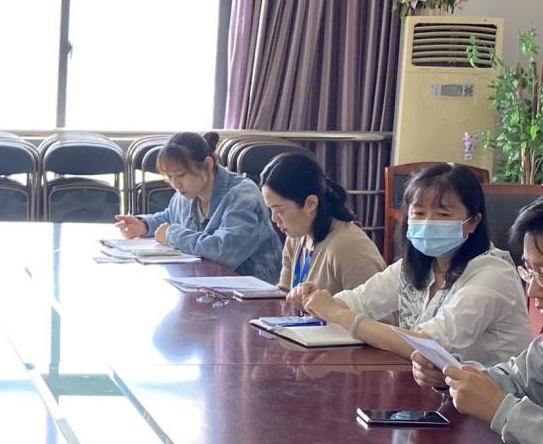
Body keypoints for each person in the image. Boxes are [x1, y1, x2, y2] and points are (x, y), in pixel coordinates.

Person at [305, 163, 531, 364]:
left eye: (443, 214)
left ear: (473, 221)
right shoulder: (418, 265)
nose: (428, 223)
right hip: (437, 388)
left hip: (495, 396)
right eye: (419, 213)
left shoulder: (493, 274)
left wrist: (338, 314)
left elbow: (428, 345)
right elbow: (359, 301)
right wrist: (317, 302)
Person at [411, 197, 543, 444]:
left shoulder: (491, 272)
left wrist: (501, 410)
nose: (532, 290)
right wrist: (454, 374)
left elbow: (504, 403)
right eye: (531, 271)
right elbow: (518, 379)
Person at [114, 132, 283, 284]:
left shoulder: (243, 195)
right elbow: (170, 217)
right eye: (169, 177)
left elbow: (223, 251)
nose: (175, 183)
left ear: (208, 164)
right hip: (207, 285)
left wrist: (172, 234)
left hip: (254, 290)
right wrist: (144, 225)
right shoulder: (187, 192)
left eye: (180, 175)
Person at [259, 152, 385, 300]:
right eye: (271, 209)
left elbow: (377, 313)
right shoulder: (296, 237)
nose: (274, 219)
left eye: (280, 211)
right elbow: (284, 297)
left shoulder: (351, 247)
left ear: (311, 203)